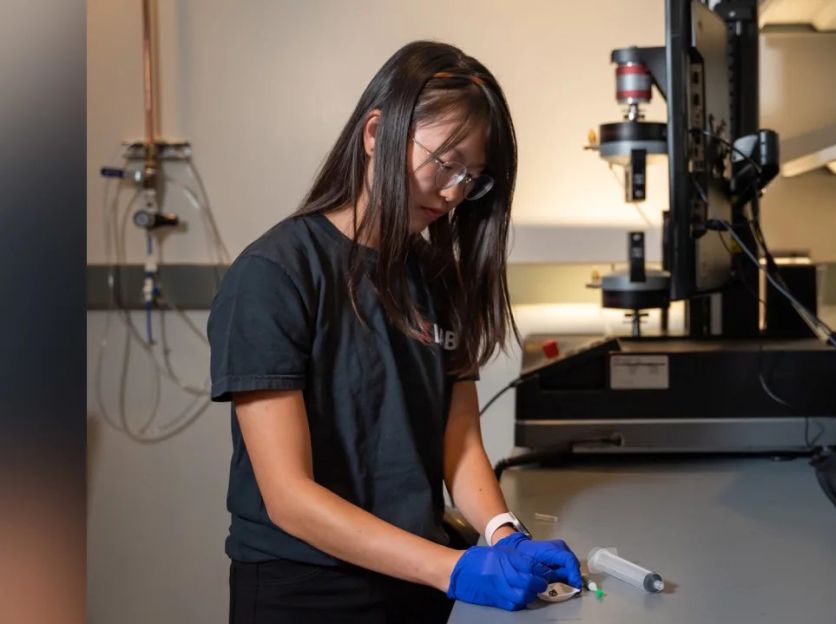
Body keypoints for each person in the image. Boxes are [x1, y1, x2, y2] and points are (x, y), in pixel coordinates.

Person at [207, 40, 583, 623]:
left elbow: (457, 444)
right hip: (308, 592)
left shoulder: (438, 277)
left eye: (473, 178)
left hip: (417, 581)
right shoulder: (275, 275)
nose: (456, 192)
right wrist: (452, 569)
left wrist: (502, 532)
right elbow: (288, 498)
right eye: (447, 163)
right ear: (377, 133)